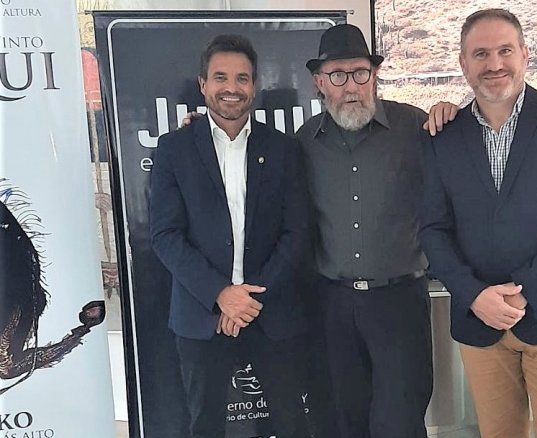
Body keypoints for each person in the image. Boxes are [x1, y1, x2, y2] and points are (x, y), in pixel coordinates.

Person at [419, 9, 537, 438]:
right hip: (479, 321)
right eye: (480, 53)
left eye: (505, 50)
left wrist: (525, 293)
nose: (494, 63)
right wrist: (474, 295)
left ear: (525, 54)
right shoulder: (442, 135)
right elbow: (433, 229)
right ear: (464, 63)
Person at [294, 24, 457, 438]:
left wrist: (453, 113)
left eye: (360, 73)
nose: (351, 86)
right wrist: (200, 134)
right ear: (319, 83)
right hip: (332, 305)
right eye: (338, 75)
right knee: (343, 420)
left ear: (374, 75)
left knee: (400, 423)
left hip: (400, 302)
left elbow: (468, 165)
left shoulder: (416, 128)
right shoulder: (303, 142)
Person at [149, 34, 310, 438]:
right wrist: (221, 294)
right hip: (202, 314)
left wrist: (248, 299)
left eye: (242, 78)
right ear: (203, 84)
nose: (232, 88)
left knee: (289, 422)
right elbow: (166, 235)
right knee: (204, 424)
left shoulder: (284, 150)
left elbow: (297, 232)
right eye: (221, 77)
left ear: (255, 85)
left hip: (271, 310)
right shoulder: (173, 150)